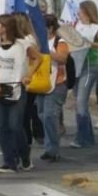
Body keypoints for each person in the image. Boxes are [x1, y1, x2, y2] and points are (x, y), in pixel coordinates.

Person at [0, 14, 41, 172]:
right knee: (1, 126)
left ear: (6, 27)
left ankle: (24, 155)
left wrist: (29, 74)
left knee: (15, 125)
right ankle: (9, 160)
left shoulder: (22, 44)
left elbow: (38, 58)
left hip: (17, 87)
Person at [71, 1, 98, 148]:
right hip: (76, 66)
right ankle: (87, 136)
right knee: (79, 102)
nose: (78, 13)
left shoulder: (96, 28)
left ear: (87, 11)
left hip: (89, 66)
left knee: (81, 101)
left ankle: (82, 137)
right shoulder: (76, 25)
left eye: (80, 11)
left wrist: (90, 43)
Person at [37, 15, 69, 162]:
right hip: (41, 83)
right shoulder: (37, 42)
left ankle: (53, 149)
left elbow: (63, 58)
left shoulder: (59, 42)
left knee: (50, 115)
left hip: (57, 83)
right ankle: (49, 146)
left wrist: (47, 52)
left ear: (50, 28)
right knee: (42, 115)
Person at [13, 12, 44, 146]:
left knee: (25, 113)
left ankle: (26, 142)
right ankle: (28, 139)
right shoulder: (27, 38)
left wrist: (28, 74)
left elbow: (36, 57)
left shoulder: (27, 40)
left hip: (26, 80)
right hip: (22, 79)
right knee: (26, 112)